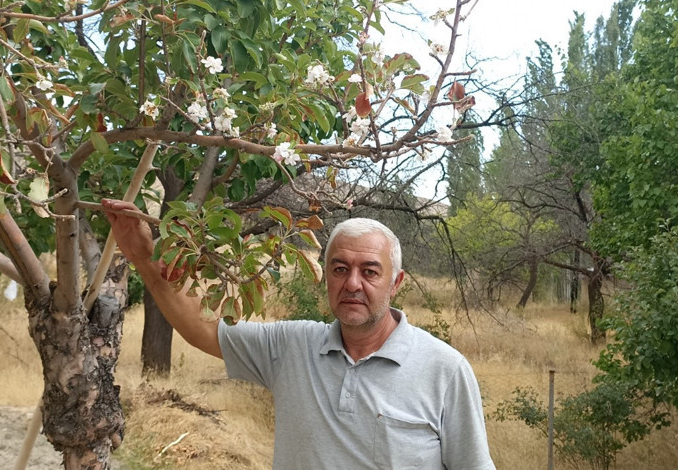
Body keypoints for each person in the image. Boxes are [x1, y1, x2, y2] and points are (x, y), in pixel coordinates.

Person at [102, 199, 496, 469]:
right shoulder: (292, 347)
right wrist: (144, 255)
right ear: (326, 278)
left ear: (396, 283)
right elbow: (202, 328)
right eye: (340, 269)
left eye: (370, 271)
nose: (353, 284)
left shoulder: (445, 370)